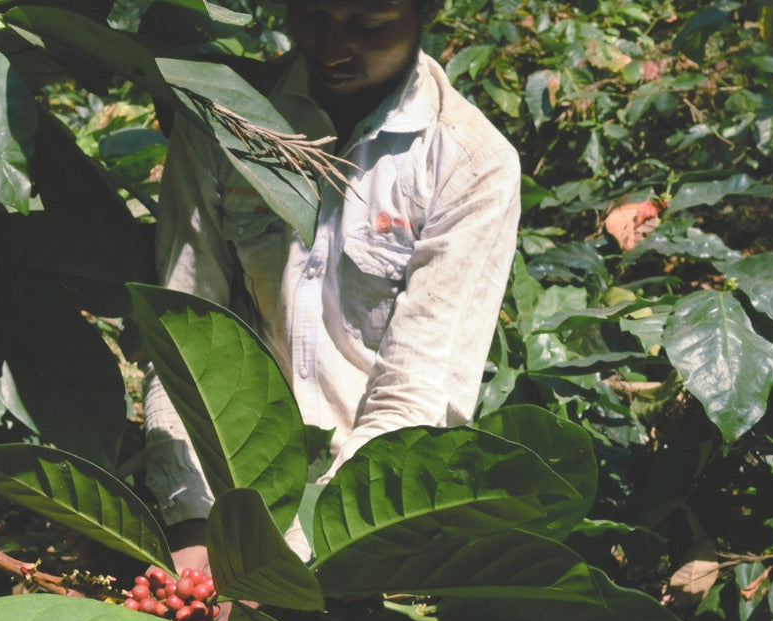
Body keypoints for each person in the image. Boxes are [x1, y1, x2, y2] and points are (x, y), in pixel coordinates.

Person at [144, 0, 521, 587]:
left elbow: (417, 395)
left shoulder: (470, 163)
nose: (331, 48)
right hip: (225, 498)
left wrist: (286, 566)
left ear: (427, 10)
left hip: (363, 524)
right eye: (311, 15)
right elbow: (184, 333)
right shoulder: (221, 119)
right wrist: (191, 522)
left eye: (368, 25)